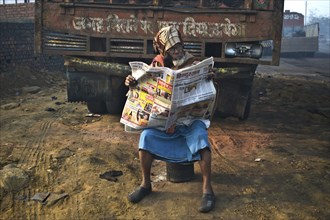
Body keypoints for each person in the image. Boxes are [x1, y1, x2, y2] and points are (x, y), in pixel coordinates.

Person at [124, 26, 215, 213]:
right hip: (166, 123)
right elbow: (143, 89)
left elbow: (211, 94)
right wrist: (132, 82)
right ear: (164, 51)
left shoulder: (194, 63)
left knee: (201, 138)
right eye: (173, 49)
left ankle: (207, 190)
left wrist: (211, 79)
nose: (178, 51)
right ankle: (145, 184)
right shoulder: (157, 65)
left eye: (180, 46)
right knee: (146, 138)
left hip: (189, 121)